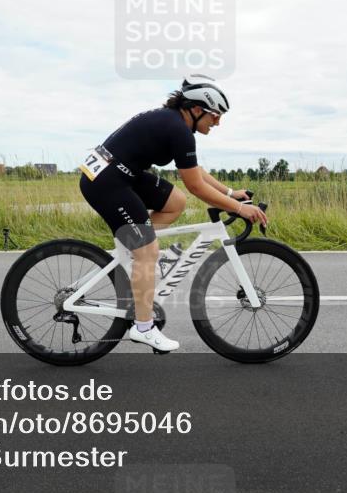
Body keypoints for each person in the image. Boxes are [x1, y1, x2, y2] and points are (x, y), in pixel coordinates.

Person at [78, 74, 269, 352]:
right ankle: (143, 327)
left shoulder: (175, 124)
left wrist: (229, 194)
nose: (218, 122)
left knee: (174, 202)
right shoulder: (176, 128)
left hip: (120, 174)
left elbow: (196, 172)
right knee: (148, 251)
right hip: (107, 182)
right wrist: (241, 208)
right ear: (195, 109)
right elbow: (197, 187)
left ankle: (134, 254)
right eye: (215, 115)